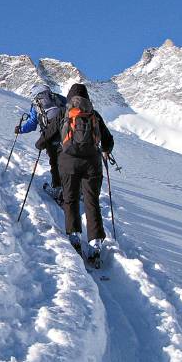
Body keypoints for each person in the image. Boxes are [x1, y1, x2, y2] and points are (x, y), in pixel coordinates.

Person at [35, 83, 114, 261]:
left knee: (70, 199)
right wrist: (105, 149)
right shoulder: (94, 114)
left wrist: (40, 144)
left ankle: (74, 236)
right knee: (91, 201)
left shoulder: (64, 111)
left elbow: (48, 134)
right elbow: (108, 141)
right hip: (92, 163)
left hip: (68, 161)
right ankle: (95, 244)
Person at [16, 84, 66, 201]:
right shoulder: (58, 98)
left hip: (50, 136)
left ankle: (58, 188)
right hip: (66, 135)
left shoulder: (36, 104)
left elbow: (33, 124)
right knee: (68, 161)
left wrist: (21, 129)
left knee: (55, 163)